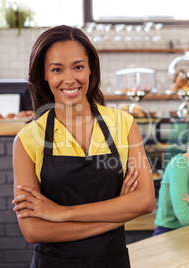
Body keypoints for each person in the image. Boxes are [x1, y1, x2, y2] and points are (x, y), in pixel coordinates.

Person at [11, 25, 154, 268]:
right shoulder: (27, 139)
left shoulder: (123, 124)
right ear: (44, 74)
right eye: (57, 69)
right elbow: (33, 229)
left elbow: (145, 202)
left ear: (90, 69)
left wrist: (61, 213)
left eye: (78, 67)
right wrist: (116, 215)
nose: (69, 79)